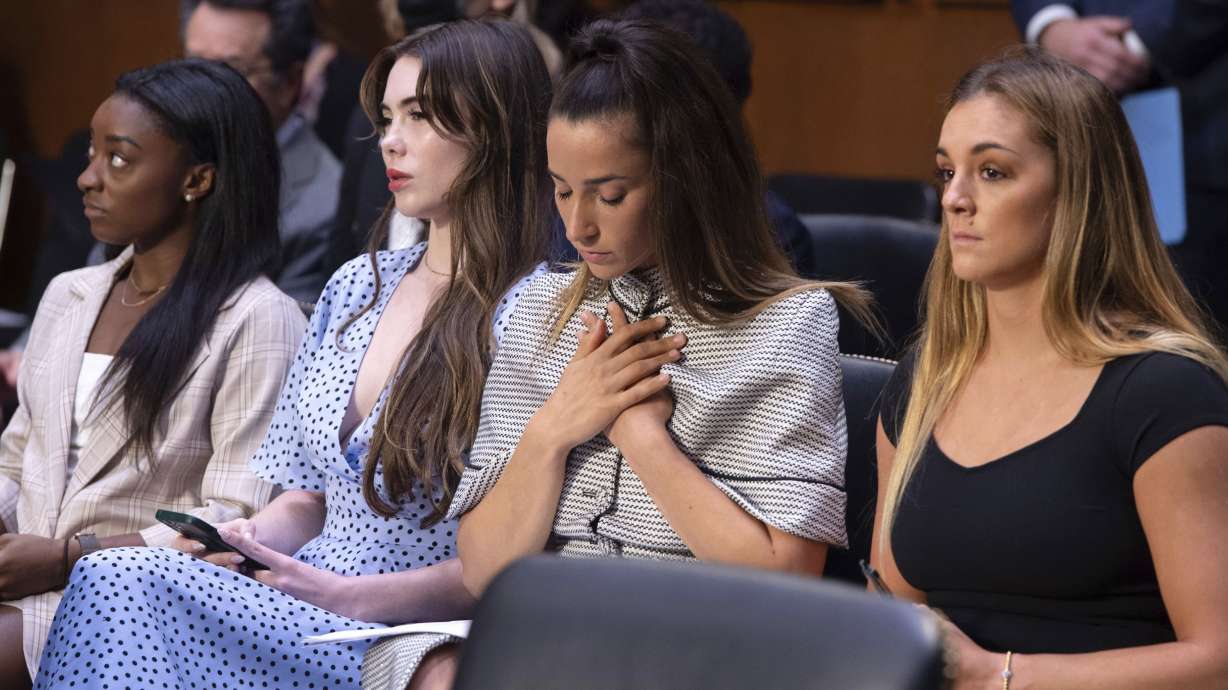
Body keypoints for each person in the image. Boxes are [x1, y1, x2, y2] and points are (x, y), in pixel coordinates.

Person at [33, 19, 554, 690]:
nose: (389, 140)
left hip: (404, 628)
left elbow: (513, 559)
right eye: (388, 116)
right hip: (302, 601)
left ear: (494, 126)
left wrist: (339, 593)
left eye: (419, 117)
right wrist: (250, 543)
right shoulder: (357, 285)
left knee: (117, 576)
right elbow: (306, 497)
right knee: (122, 578)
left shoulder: (541, 311)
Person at [362, 19, 867, 690]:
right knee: (418, 662)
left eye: (610, 193)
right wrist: (556, 427)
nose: (578, 226)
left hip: (700, 639)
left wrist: (639, 434)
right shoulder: (543, 308)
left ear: (685, 177)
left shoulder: (784, 322)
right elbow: (484, 569)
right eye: (561, 190)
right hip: (553, 626)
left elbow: (784, 575)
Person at [870, 47, 1228, 689]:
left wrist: (1001, 677)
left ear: (1078, 191)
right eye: (946, 171)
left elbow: (1220, 659)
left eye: (993, 172)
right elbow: (893, 606)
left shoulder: (1164, 393)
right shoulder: (924, 377)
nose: (954, 199)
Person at [0, 58, 306, 687]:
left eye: (119, 159)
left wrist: (68, 557)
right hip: (22, 574)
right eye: (92, 152)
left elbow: (234, 521)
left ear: (196, 179)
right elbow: (17, 460)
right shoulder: (70, 293)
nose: (87, 178)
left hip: (125, 606)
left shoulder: (258, 317)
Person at [1011, 0, 1228, 328]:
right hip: (1070, 120)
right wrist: (1051, 25)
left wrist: (1134, 44)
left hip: (1202, 127)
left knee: (1194, 336)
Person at [183, 0, 342, 303]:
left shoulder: (323, 207)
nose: (201, 88)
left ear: (290, 82)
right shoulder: (158, 160)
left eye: (230, 70)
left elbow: (286, 340)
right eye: (193, 65)